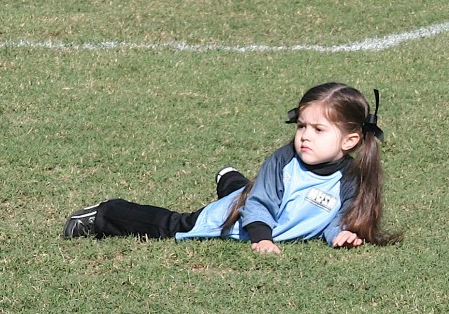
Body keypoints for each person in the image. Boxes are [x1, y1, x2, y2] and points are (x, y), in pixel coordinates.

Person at [62, 82, 402, 253]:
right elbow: (260, 204)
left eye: (318, 130)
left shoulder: (351, 177)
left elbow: (336, 217)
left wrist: (340, 235)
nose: (304, 137)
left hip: (259, 203)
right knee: (174, 226)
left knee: (245, 189)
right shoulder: (284, 161)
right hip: (244, 218)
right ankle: (105, 213)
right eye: (301, 126)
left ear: (350, 140)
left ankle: (231, 180)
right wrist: (262, 239)